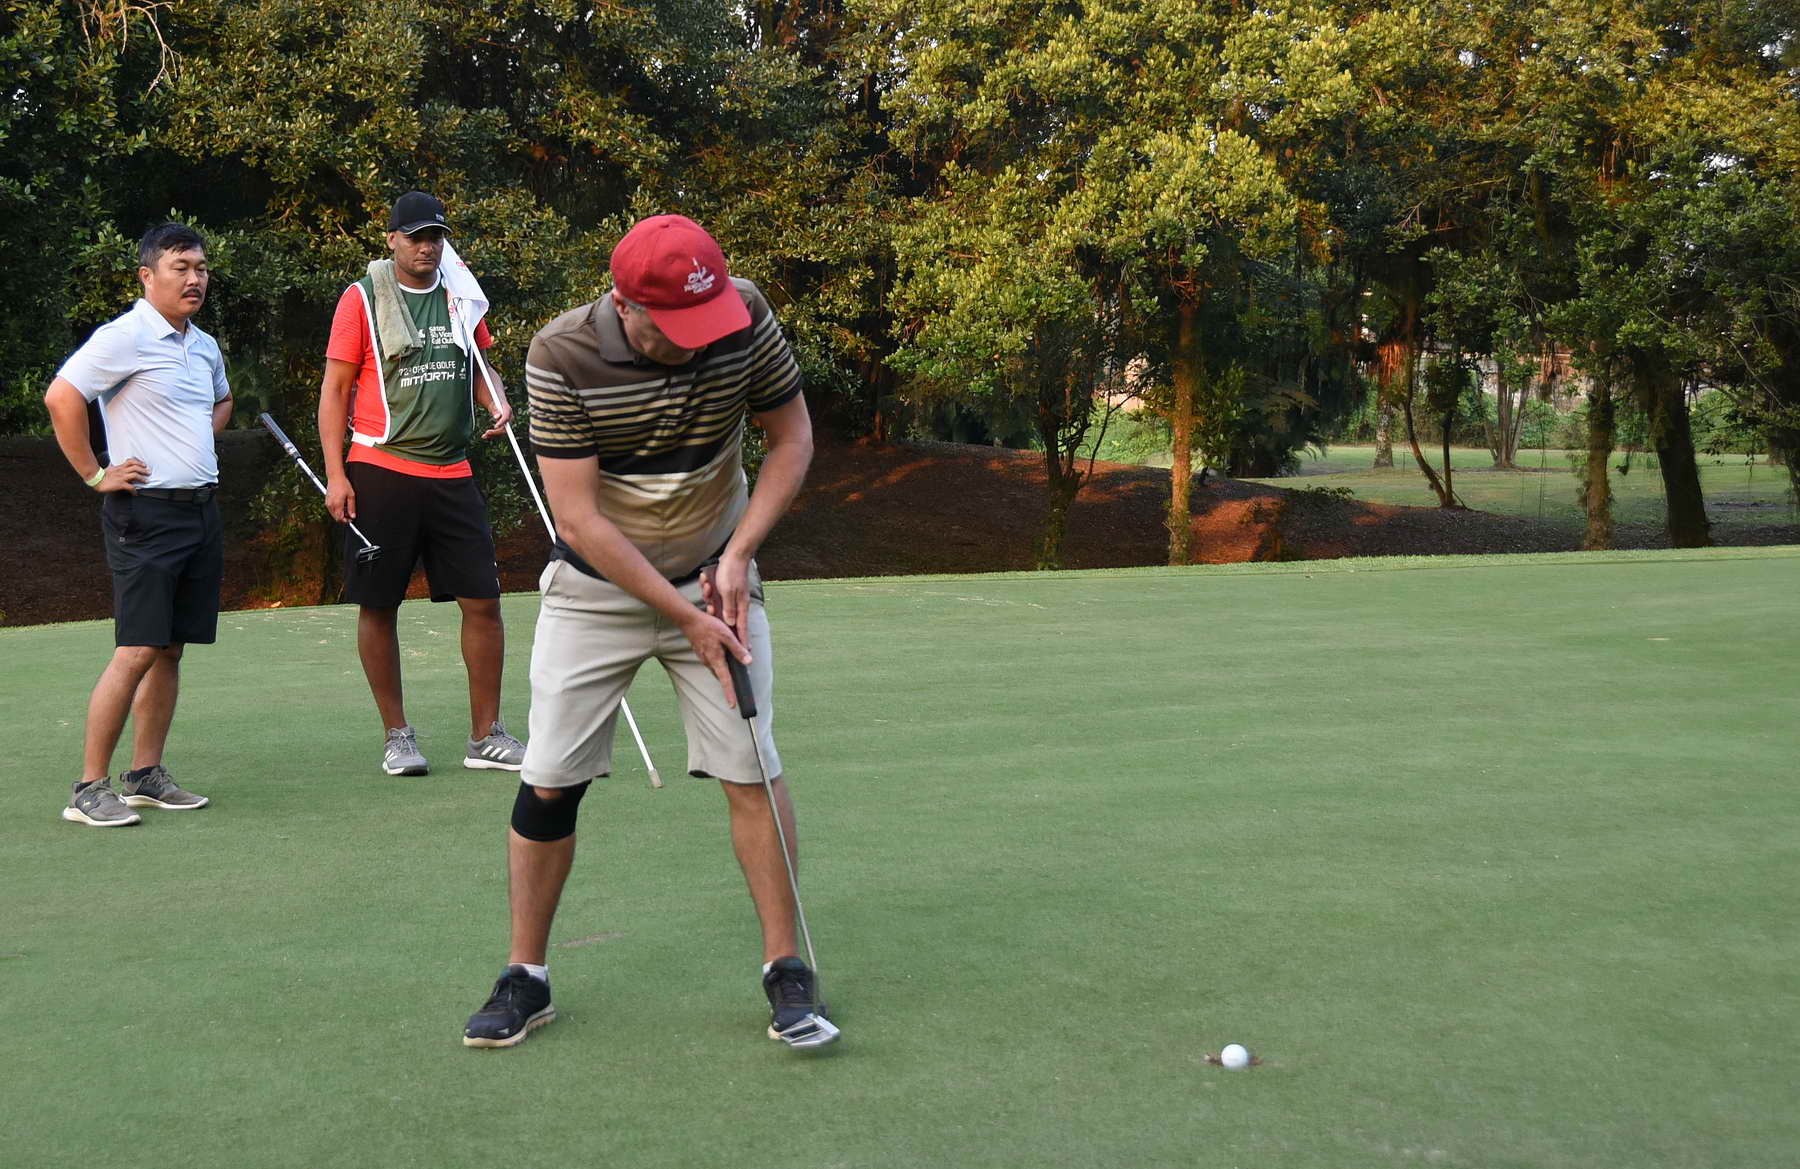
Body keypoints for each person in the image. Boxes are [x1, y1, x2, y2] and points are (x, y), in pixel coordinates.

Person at [460, 214, 829, 1049]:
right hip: (598, 588)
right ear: (625, 305)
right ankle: (527, 974)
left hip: (717, 574)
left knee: (752, 764)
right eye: (678, 325)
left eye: (709, 319)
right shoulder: (561, 353)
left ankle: (786, 966)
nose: (702, 340)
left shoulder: (743, 314)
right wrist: (683, 614)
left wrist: (739, 554)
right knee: (550, 777)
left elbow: (792, 438)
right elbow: (579, 519)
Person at [317, 191, 525, 777]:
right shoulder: (362, 298)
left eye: (435, 236)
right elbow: (335, 391)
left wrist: (496, 399)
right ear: (392, 240)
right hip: (381, 468)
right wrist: (336, 475)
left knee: (483, 601)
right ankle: (398, 735)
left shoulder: (460, 294)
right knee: (379, 604)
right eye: (415, 237)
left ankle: (486, 736)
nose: (426, 247)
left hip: (452, 471)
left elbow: (479, 366)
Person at [43, 222, 231, 827]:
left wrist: (194, 438)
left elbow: (222, 399)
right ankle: (87, 788)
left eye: (201, 268)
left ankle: (145, 775)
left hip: (199, 511)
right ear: (148, 276)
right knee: (138, 648)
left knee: (171, 648)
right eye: (181, 268)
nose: (195, 278)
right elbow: (61, 397)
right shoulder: (124, 337)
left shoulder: (203, 345)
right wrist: (95, 474)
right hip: (145, 516)